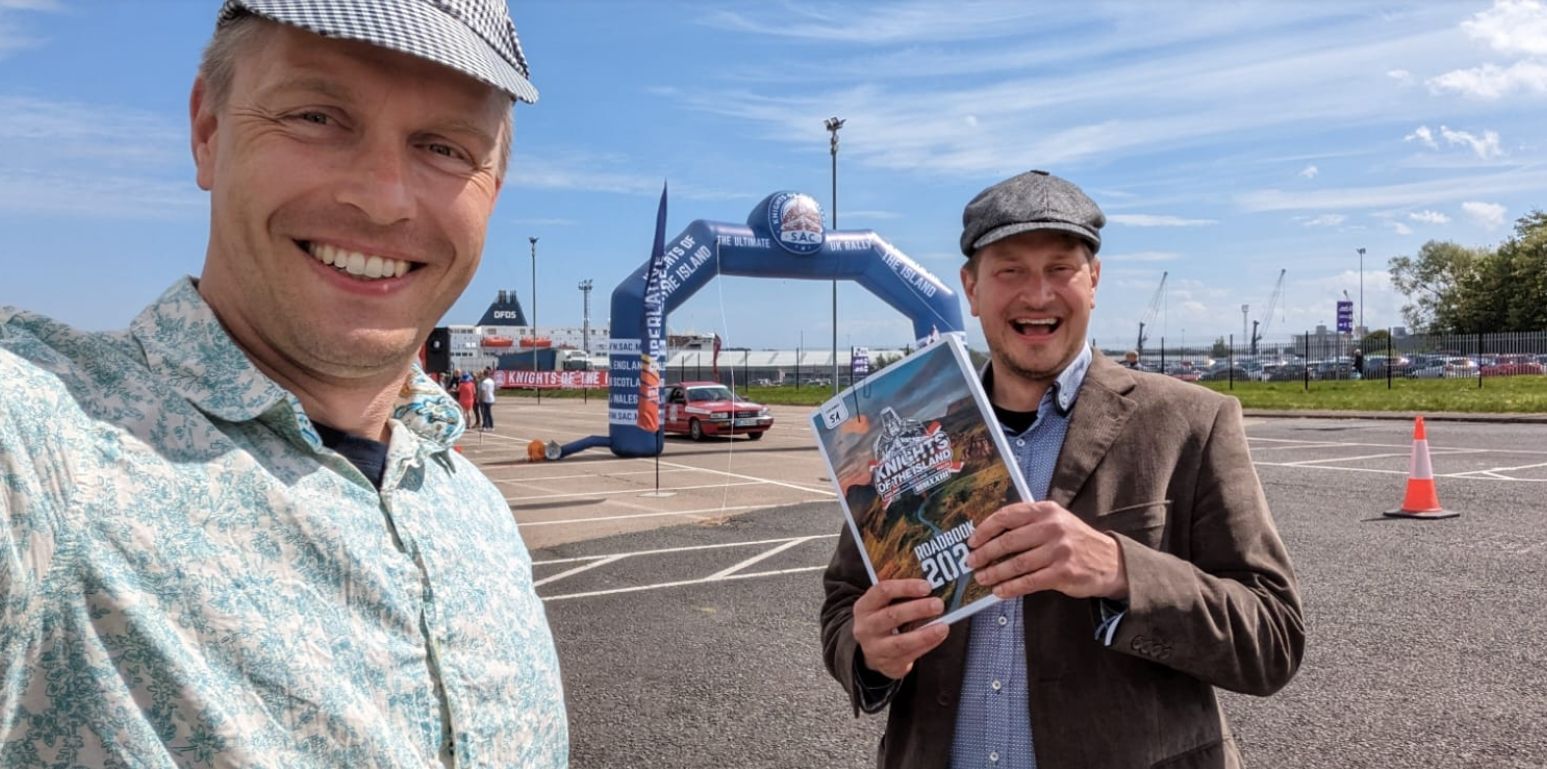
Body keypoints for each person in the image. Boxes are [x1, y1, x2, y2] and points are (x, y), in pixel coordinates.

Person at [0, 2, 566, 766]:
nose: (383, 197)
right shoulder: (55, 449)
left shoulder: (473, 507)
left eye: (443, 146)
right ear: (208, 130)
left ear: (491, 187)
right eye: (316, 116)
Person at [820, 170, 1303, 769]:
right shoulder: (911, 436)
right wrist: (867, 654)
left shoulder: (1191, 423)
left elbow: (1273, 638)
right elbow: (845, 602)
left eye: (1060, 268)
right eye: (1010, 271)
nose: (1038, 295)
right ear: (971, 289)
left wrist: (1121, 570)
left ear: (1093, 280)